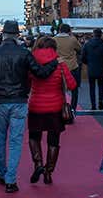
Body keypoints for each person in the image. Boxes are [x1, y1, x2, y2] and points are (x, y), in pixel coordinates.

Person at [0, 20, 58, 193]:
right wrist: (54, 63)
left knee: (0, 140)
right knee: (15, 142)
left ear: (3, 34)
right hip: (19, 101)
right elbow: (40, 73)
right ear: (16, 35)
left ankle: (1, 172)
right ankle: (11, 180)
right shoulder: (24, 53)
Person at [26, 36, 77, 184]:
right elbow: (72, 85)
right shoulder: (60, 64)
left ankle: (38, 164)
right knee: (53, 140)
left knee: (34, 136)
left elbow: (27, 81)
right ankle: (48, 172)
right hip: (55, 107)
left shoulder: (32, 62)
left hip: (36, 105)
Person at [54, 23, 83, 116]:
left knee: (59, 89)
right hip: (72, 66)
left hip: (59, 67)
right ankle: (73, 109)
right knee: (74, 89)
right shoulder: (72, 39)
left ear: (59, 30)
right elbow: (79, 49)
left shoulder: (53, 39)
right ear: (69, 31)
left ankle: (59, 108)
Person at [81, 28, 103, 111]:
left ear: (93, 34)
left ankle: (93, 104)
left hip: (91, 68)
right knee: (101, 86)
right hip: (101, 68)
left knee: (92, 87)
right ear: (100, 34)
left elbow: (83, 57)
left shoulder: (87, 44)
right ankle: (100, 102)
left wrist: (88, 63)